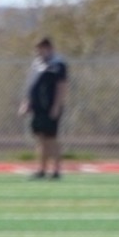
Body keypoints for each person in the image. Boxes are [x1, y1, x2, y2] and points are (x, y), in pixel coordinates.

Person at [21, 37, 70, 179]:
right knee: (40, 138)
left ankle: (56, 170)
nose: (38, 53)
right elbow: (31, 85)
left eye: (41, 50)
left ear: (48, 48)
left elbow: (61, 86)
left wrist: (56, 106)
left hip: (50, 106)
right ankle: (41, 169)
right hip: (38, 107)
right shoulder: (37, 64)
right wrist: (26, 103)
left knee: (51, 138)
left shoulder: (58, 64)